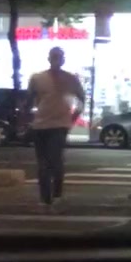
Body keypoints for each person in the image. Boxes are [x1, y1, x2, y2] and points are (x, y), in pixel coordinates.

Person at [28, 47, 85, 206]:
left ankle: (57, 194)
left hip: (59, 124)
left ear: (63, 59)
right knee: (43, 163)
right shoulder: (37, 78)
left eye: (59, 57)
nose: (56, 60)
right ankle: (45, 197)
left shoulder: (70, 79)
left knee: (55, 160)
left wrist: (73, 116)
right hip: (40, 124)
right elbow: (29, 99)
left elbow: (81, 98)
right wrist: (29, 118)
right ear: (49, 58)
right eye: (54, 56)